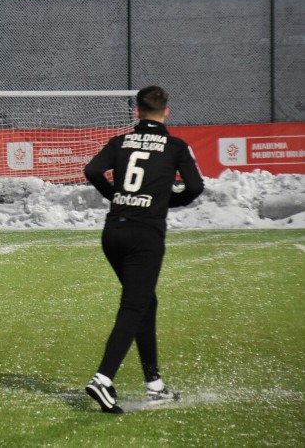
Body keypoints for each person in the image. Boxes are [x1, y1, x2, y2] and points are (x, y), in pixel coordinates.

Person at [83, 85, 204, 414]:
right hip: (145, 235)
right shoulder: (175, 145)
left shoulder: (120, 141)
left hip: (113, 232)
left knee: (145, 303)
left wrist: (115, 195)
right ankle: (103, 379)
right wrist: (167, 201)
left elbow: (92, 170)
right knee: (134, 307)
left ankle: (155, 385)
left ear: (136, 112)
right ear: (166, 113)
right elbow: (195, 187)